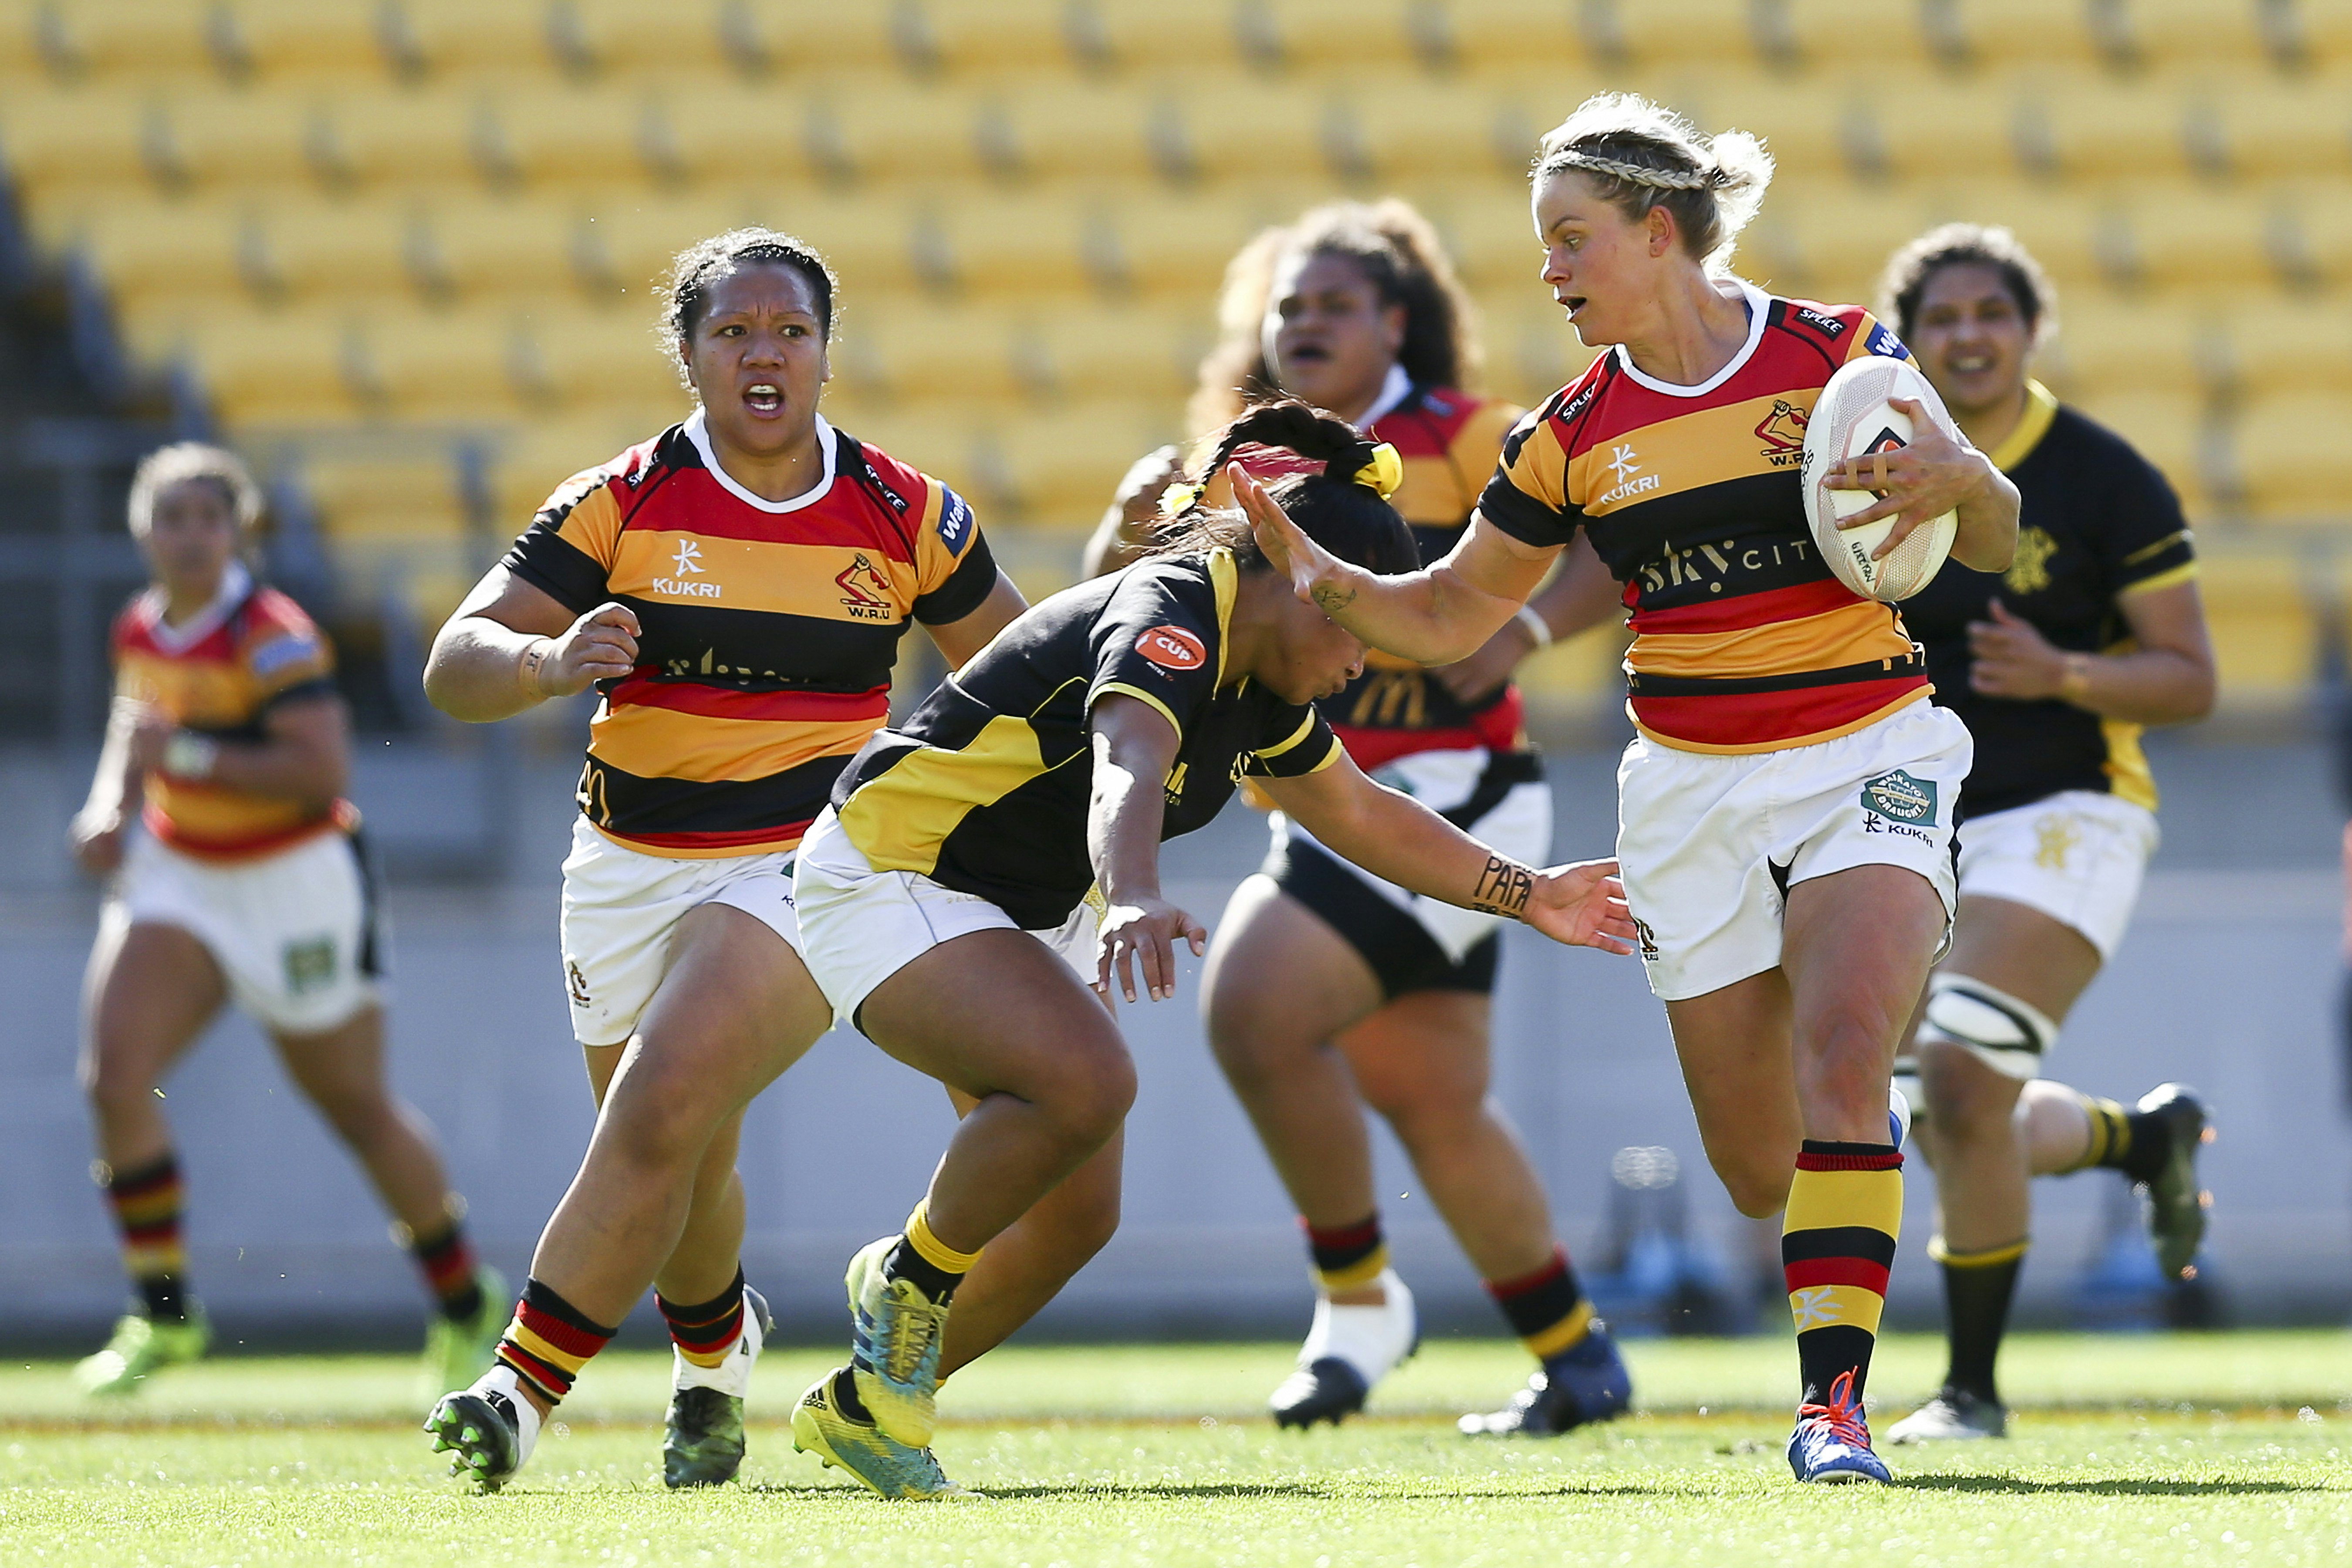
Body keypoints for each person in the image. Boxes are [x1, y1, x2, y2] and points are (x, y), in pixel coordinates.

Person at [1240, 94, 2023, 1484]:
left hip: (1873, 754)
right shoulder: (1567, 432)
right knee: (1752, 1169)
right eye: (1545, 244)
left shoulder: (1841, 353)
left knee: (1844, 1053)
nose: (1550, 269)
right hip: (1690, 793)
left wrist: (1969, 472)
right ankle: (1864, 1174)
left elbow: (1990, 542)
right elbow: (1445, 619)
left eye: (1571, 238)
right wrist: (1321, 578)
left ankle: (1830, 1408)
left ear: (1658, 233)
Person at [791, 400, 1638, 1490]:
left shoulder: (1265, 681)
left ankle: (872, 1405)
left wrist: (1533, 895)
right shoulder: (1175, 607)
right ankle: (905, 1285)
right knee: (1086, 1081)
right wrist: (1134, 892)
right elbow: (1128, 761)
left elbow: (1366, 815)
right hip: (890, 868)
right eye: (1356, 624)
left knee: (1075, 1218)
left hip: (1008, 906)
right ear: (1295, 577)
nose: (1365, 664)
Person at [418, 228, 1113, 1500]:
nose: (764, 353)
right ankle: (713, 1354)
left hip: (806, 867)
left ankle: (517, 1394)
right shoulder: (618, 500)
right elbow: (453, 660)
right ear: (687, 355)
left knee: (660, 1107)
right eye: (733, 331)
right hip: (627, 862)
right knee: (684, 1161)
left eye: (789, 330)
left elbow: (1022, 681)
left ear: (826, 355)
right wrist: (545, 661)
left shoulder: (906, 512)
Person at [1088, 200, 1630, 1435]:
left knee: (1255, 1003)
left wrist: (1527, 634)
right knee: (1433, 1096)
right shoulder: (1240, 462)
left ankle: (1356, 1298)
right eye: (1290, 306)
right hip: (1326, 797)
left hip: (1451, 790)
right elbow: (1127, 616)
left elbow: (1618, 529)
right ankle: (1576, 1352)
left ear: (1399, 322)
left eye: (1336, 304)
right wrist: (1121, 535)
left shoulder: (1472, 435)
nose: (1308, 323)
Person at [1869, 226, 2217, 1446]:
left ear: (2030, 328)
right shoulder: (1865, 463)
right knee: (1930, 1097)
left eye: (1991, 313)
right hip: (1911, 822)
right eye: (1943, 317)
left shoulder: (2100, 474)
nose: (1969, 335)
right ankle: (2140, 1137)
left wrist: (2065, 670)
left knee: (1959, 1081)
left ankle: (1972, 1393)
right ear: (1907, 341)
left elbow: (2191, 679)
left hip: (2071, 810)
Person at [68, 442, 501, 1400]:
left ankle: (466, 1302)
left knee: (354, 1106)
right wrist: (112, 806)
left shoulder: (272, 634)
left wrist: (181, 752)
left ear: (239, 531)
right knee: (115, 1076)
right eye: (170, 518)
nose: (189, 537)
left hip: (293, 880)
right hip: (181, 870)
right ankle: (167, 1313)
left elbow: (320, 774)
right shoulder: (141, 624)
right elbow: (132, 727)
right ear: (143, 531)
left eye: (207, 519)